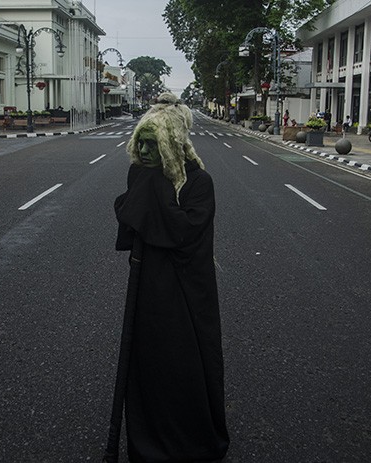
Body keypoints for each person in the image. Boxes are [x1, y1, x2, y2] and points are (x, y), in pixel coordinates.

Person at [112, 92, 229, 462]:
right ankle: (149, 441)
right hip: (149, 288)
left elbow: (183, 234)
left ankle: (190, 442)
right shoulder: (143, 175)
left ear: (172, 142)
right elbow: (129, 220)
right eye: (140, 143)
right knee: (149, 363)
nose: (145, 153)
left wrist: (153, 188)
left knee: (185, 363)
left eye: (153, 144)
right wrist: (148, 184)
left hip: (186, 294)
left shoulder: (199, 182)